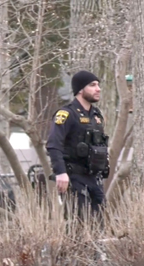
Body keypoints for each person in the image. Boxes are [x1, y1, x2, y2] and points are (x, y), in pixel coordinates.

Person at [46, 70, 110, 219]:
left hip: (94, 178)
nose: (98, 89)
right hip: (74, 178)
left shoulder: (96, 115)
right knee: (78, 224)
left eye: (98, 85)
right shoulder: (67, 114)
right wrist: (60, 173)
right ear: (80, 89)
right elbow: (53, 144)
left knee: (99, 224)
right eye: (93, 85)